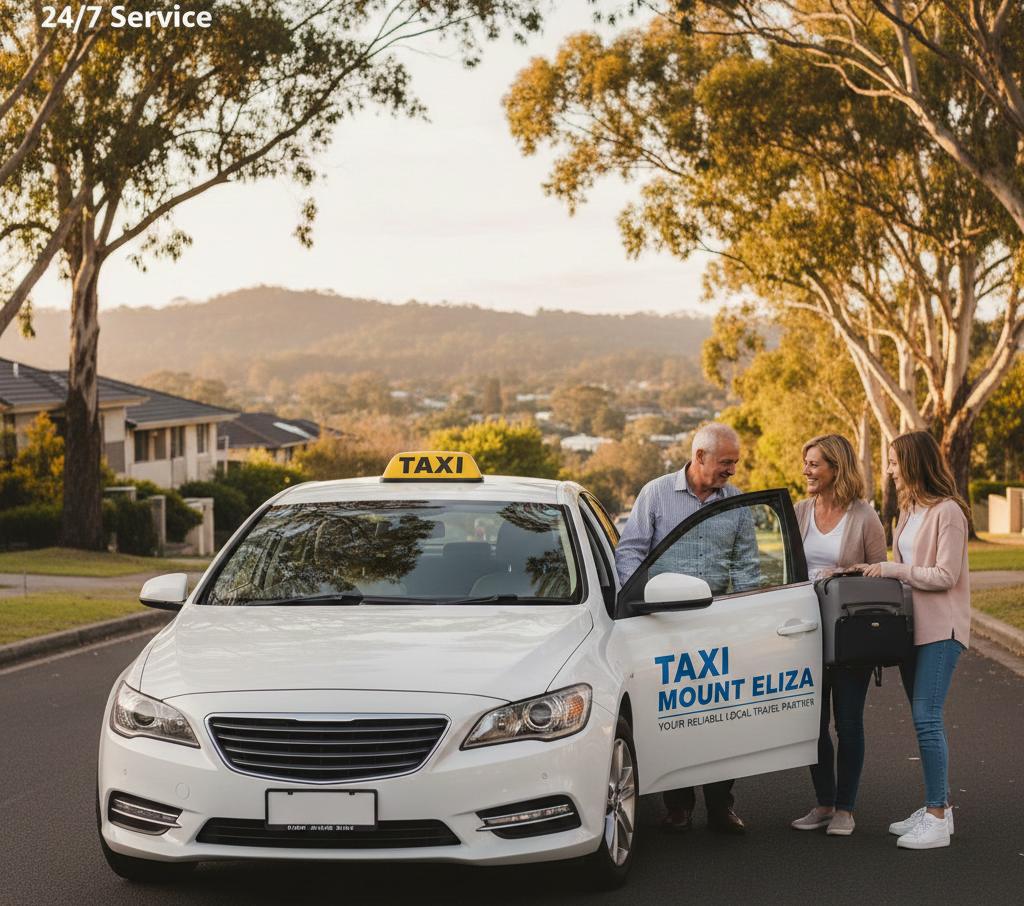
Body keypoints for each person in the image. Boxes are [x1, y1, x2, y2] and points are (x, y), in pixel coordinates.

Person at [615, 421, 749, 835]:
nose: (731, 471)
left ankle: (721, 806)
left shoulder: (738, 502)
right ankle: (678, 806)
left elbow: (746, 565)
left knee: (721, 715)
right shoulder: (656, 493)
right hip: (665, 623)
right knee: (673, 714)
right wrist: (641, 600)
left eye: (735, 464)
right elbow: (631, 550)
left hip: (717, 625)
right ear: (700, 456)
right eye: (725, 463)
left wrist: (753, 614)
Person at [856, 431, 970, 850]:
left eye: (893, 463)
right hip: (911, 630)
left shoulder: (949, 512)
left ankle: (938, 817)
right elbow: (900, 574)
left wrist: (892, 570)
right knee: (923, 720)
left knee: (926, 717)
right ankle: (937, 807)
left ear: (914, 463)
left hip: (943, 629)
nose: (889, 471)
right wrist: (871, 572)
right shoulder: (907, 512)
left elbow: (945, 576)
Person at [789, 434, 886, 837]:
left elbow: (882, 575)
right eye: (806, 462)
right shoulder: (798, 511)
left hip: (849, 634)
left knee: (847, 722)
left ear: (836, 468)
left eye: (814, 464)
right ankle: (824, 803)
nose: (807, 471)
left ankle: (846, 808)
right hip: (804, 631)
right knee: (812, 723)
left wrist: (843, 573)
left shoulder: (864, 516)